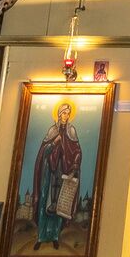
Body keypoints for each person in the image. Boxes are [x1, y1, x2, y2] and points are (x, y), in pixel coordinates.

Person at [30, 100, 90, 248]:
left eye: (68, 113)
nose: (66, 115)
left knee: (60, 205)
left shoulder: (71, 131)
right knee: (45, 203)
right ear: (59, 114)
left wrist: (75, 164)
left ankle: (55, 236)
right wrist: (54, 143)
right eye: (64, 113)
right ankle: (41, 237)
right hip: (49, 174)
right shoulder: (52, 131)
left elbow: (77, 151)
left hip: (63, 172)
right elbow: (43, 151)